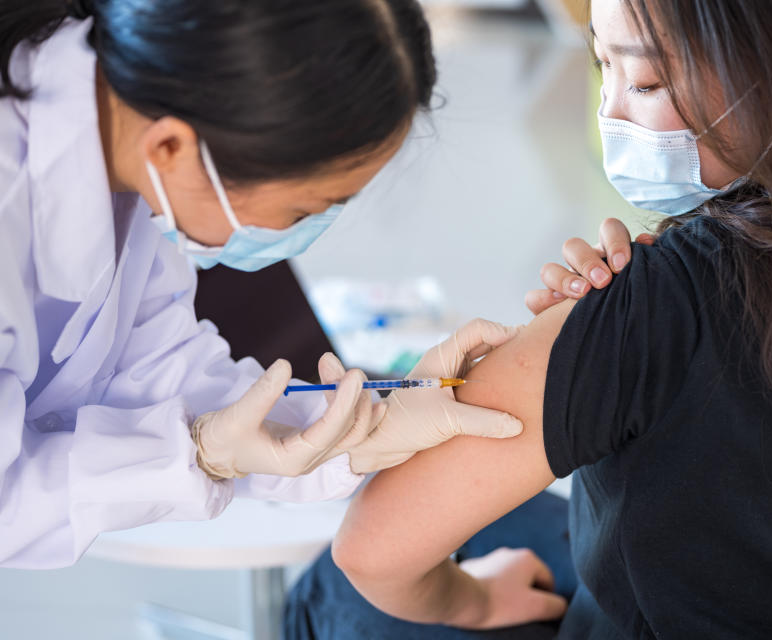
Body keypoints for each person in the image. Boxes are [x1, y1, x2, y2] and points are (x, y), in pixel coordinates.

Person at [307, 0, 772, 637]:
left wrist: (474, 601)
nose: (610, 111)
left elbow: (371, 553)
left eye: (645, 81)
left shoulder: (662, 298)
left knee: (331, 589)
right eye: (603, 69)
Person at [0, 0, 525, 569]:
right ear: (171, 149)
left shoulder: (133, 159)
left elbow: (153, 370)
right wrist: (198, 454)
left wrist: (362, 424)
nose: (308, 231)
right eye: (306, 209)